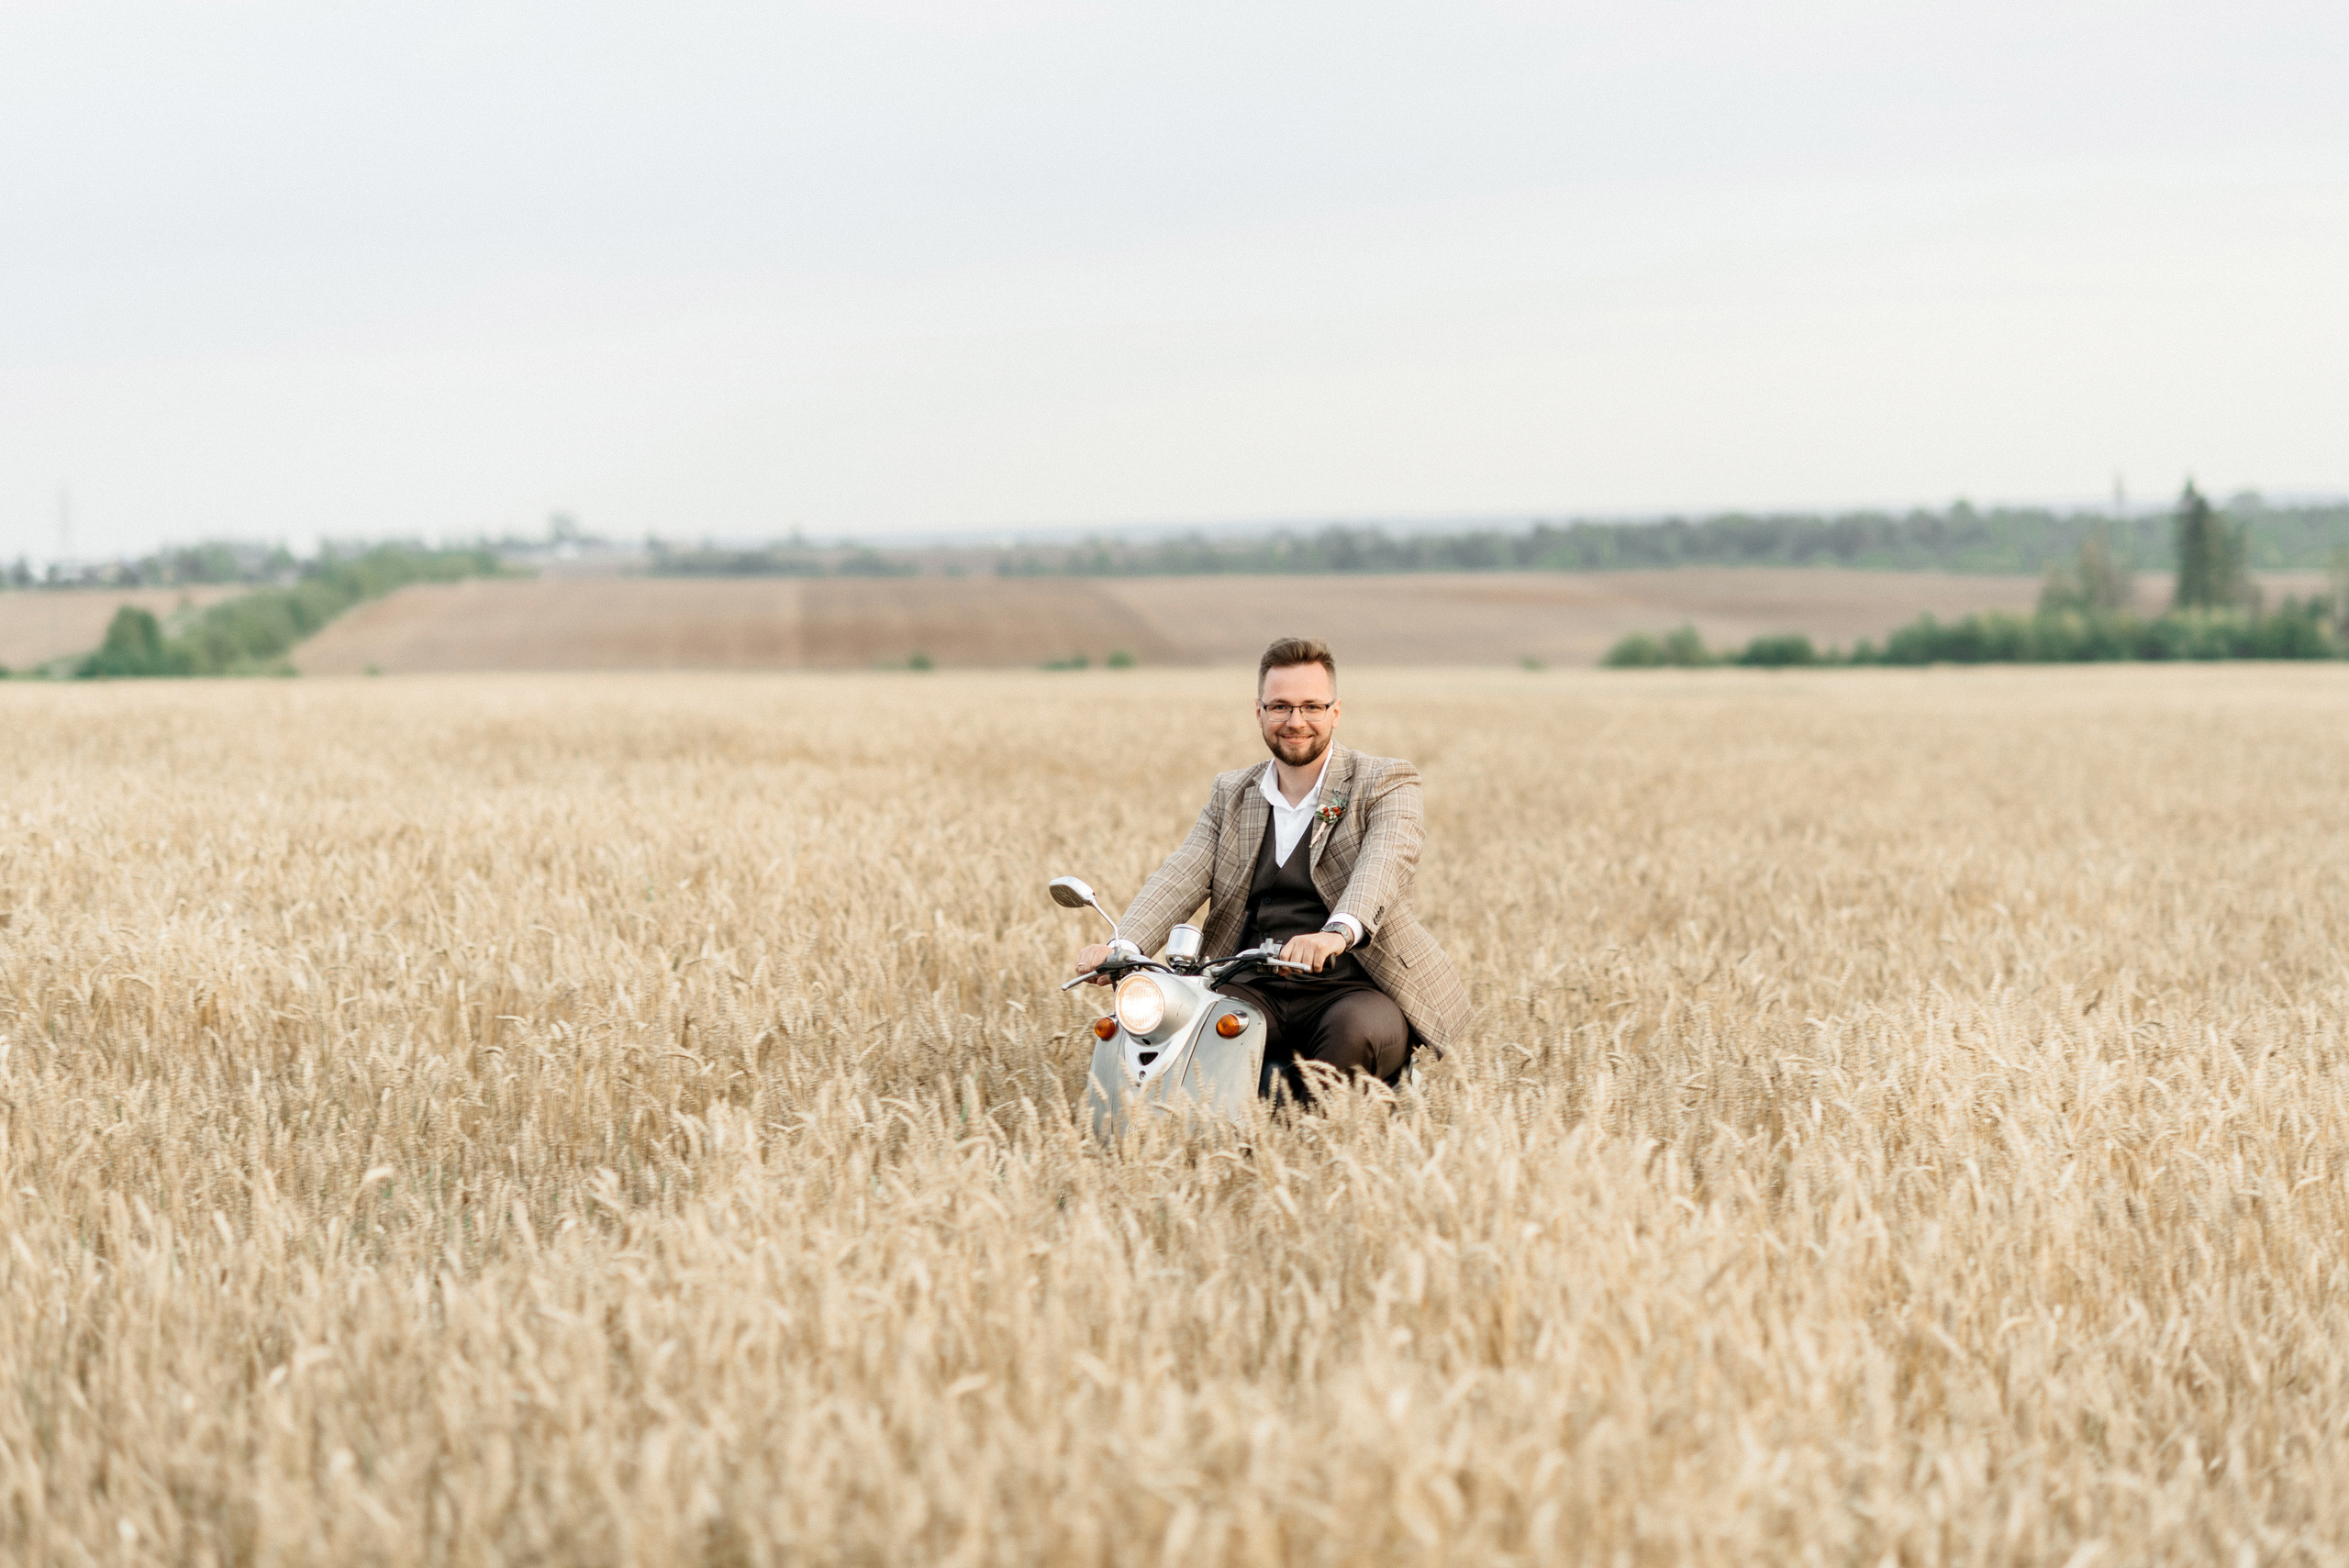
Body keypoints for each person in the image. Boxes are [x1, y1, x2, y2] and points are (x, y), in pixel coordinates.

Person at [1074, 637, 1470, 1099]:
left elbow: (1384, 864)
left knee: (1352, 1032)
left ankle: (1321, 1135)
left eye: (1311, 707)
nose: (1295, 721)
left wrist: (1335, 933)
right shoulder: (1232, 793)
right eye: (1280, 706)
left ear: (1335, 712)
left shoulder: (1385, 782)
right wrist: (1121, 945)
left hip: (1353, 987)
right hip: (1252, 983)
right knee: (1184, 1027)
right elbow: (1181, 874)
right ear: (1259, 712)